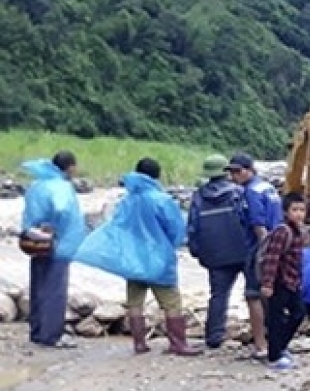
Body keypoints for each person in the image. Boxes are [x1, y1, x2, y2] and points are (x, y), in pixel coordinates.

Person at [75, 158, 199, 356]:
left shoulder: (127, 200)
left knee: (135, 302)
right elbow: (176, 229)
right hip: (159, 258)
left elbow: (118, 227)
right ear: (157, 176)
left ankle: (139, 343)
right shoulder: (162, 200)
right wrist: (170, 246)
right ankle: (177, 343)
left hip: (132, 260)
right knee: (171, 302)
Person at [19, 152, 86, 349]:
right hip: (56, 243)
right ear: (70, 167)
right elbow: (62, 209)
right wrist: (55, 228)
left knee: (38, 285)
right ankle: (51, 335)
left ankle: (37, 331)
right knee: (55, 288)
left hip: (34, 241)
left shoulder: (37, 184)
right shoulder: (61, 187)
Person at [187, 155, 248, 349]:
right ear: (226, 172)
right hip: (243, 251)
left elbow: (192, 229)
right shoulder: (239, 192)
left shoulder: (198, 196)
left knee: (218, 295)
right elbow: (249, 220)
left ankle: (214, 337)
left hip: (215, 256)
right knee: (254, 293)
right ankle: (264, 332)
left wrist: (198, 253)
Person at [226, 153, 282, 361]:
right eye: (231, 172)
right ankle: (276, 339)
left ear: (249, 170)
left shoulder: (250, 192)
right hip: (278, 245)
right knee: (270, 294)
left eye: (237, 171)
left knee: (253, 295)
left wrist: (264, 254)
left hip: (260, 248)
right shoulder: (268, 188)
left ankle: (261, 345)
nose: (233, 176)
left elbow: (259, 225)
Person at [259, 193, 309, 371]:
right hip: (279, 282)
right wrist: (267, 284)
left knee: (298, 313)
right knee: (275, 319)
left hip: (292, 281)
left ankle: (280, 347)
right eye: (294, 210)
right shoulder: (283, 231)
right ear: (286, 212)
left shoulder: (299, 231)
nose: (299, 214)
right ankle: (274, 356)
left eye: (302, 210)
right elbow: (272, 258)